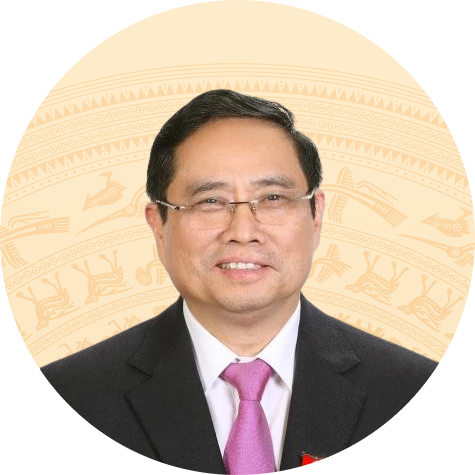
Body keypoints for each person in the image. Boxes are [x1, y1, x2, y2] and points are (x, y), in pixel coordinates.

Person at [41, 90, 437, 473]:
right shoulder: (73, 394)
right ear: (158, 226)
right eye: (210, 202)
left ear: (316, 216)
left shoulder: (409, 388)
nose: (243, 232)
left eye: (273, 198)